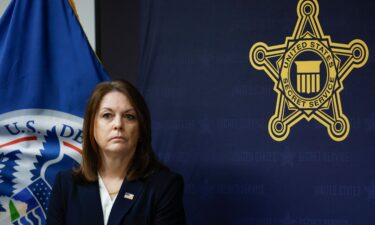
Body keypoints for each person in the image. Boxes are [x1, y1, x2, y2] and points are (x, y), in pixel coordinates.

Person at [47, 80, 186, 225]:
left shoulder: (164, 187)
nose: (118, 124)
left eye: (129, 116)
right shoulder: (66, 185)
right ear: (92, 127)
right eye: (107, 115)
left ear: (141, 129)